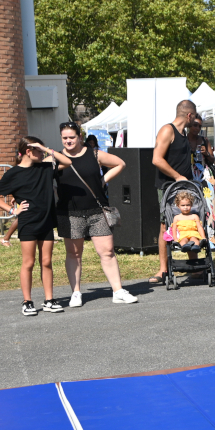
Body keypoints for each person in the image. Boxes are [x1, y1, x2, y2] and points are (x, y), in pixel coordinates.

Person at [56, 122, 137, 306]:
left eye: (72, 137)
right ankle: (75, 293)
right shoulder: (56, 157)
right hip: (69, 212)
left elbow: (120, 163)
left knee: (107, 251)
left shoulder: (94, 154)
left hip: (97, 209)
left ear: (80, 137)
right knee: (74, 254)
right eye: (65, 138)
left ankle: (117, 290)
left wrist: (103, 180)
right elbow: (38, 172)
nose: (68, 141)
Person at [0, 137, 72, 315]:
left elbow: (67, 161)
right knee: (29, 263)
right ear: (28, 152)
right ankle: (27, 301)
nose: (42, 153)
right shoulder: (13, 173)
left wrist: (44, 148)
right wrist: (12, 210)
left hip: (46, 220)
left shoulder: (45, 168)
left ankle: (49, 300)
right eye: (39, 151)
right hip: (28, 221)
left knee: (46, 262)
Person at [150, 100, 200, 284]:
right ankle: (163, 269)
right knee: (166, 226)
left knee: (189, 223)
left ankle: (194, 266)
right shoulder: (167, 130)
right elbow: (157, 159)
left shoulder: (183, 133)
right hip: (168, 187)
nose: (195, 121)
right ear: (189, 115)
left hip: (185, 187)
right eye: (194, 117)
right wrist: (177, 176)